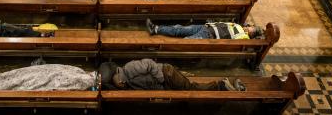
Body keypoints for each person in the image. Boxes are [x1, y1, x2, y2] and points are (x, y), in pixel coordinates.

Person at [100, 58, 246, 91]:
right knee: (187, 89)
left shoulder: (129, 68)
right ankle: (223, 85)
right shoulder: (126, 82)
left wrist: (162, 80)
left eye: (117, 83)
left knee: (191, 89)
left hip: (166, 73)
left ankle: (222, 85)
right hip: (165, 80)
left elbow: (150, 63)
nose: (119, 85)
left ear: (116, 75)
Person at [0, 64, 97, 91]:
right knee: (15, 76)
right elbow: (56, 68)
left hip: (43, 78)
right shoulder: (79, 71)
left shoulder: (83, 79)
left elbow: (60, 80)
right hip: (41, 73)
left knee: (16, 80)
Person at [146, 18, 264, 39]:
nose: (249, 27)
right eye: (250, 26)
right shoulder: (239, 26)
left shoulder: (244, 37)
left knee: (186, 42)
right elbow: (224, 24)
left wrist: (250, 34)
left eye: (252, 28)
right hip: (206, 27)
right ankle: (155, 29)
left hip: (208, 36)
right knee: (179, 29)